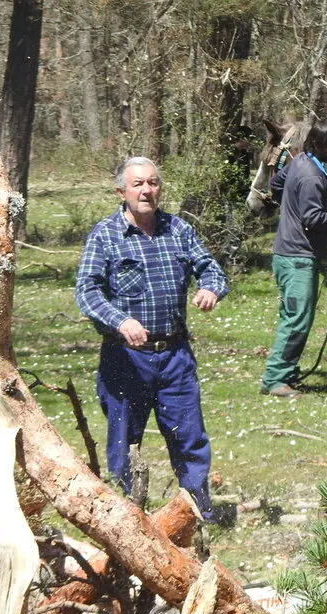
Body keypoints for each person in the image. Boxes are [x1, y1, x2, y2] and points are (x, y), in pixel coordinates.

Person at [75, 157, 228, 519]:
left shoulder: (178, 229)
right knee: (124, 442)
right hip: (126, 359)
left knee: (189, 437)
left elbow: (211, 268)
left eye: (153, 183)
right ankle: (128, 517)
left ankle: (196, 512)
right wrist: (120, 320)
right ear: (122, 192)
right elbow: (87, 291)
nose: (146, 190)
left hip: (175, 356)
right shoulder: (105, 235)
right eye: (138, 184)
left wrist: (210, 287)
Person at [259, 120, 327, 398]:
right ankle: (275, 380)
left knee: (291, 316)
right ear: (317, 144)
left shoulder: (300, 161)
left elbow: (277, 184)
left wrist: (289, 207)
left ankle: (285, 374)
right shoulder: (313, 176)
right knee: (297, 320)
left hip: (285, 252)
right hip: (298, 258)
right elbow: (313, 218)